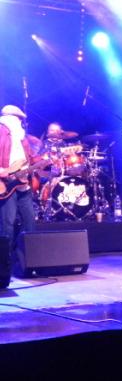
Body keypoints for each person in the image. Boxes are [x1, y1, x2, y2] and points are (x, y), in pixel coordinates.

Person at [0, 105, 37, 288]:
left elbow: (30, 158)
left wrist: (46, 163)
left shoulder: (21, 138)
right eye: (19, 119)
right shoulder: (1, 132)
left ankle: (30, 261)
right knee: (7, 225)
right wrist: (4, 172)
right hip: (6, 185)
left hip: (23, 185)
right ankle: (4, 265)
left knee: (30, 221)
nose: (21, 122)